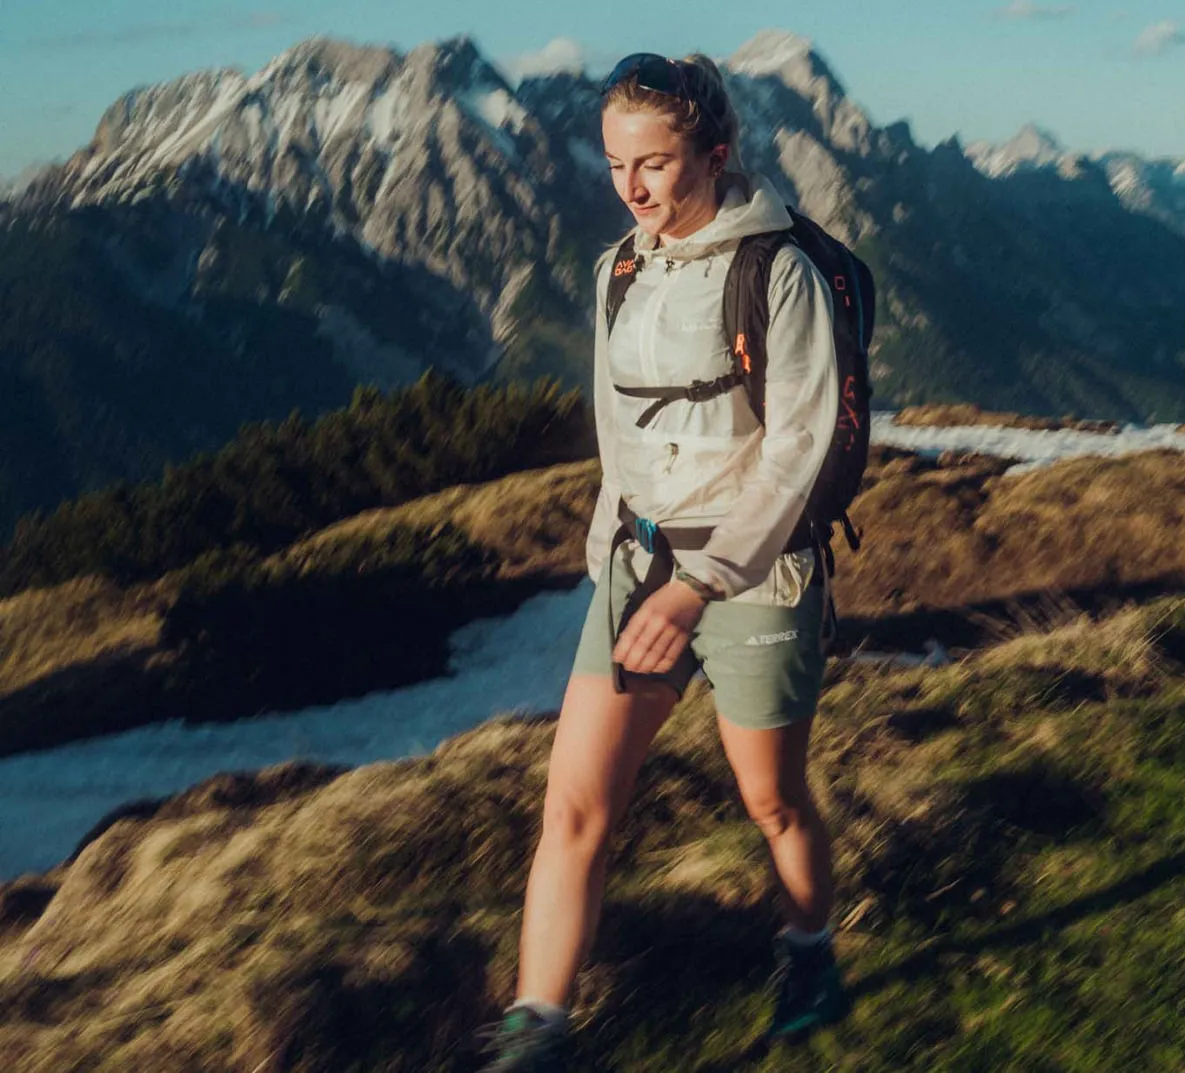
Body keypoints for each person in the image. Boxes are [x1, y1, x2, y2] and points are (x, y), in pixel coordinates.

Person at [476, 51, 847, 1073]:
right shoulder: (620, 270)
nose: (631, 188)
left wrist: (696, 588)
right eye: (612, 165)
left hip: (753, 577)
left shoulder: (780, 273)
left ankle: (810, 951)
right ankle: (537, 1029)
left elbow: (798, 452)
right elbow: (619, 432)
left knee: (771, 798)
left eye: (655, 164)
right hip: (641, 573)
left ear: (717, 154)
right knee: (576, 802)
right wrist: (617, 562)